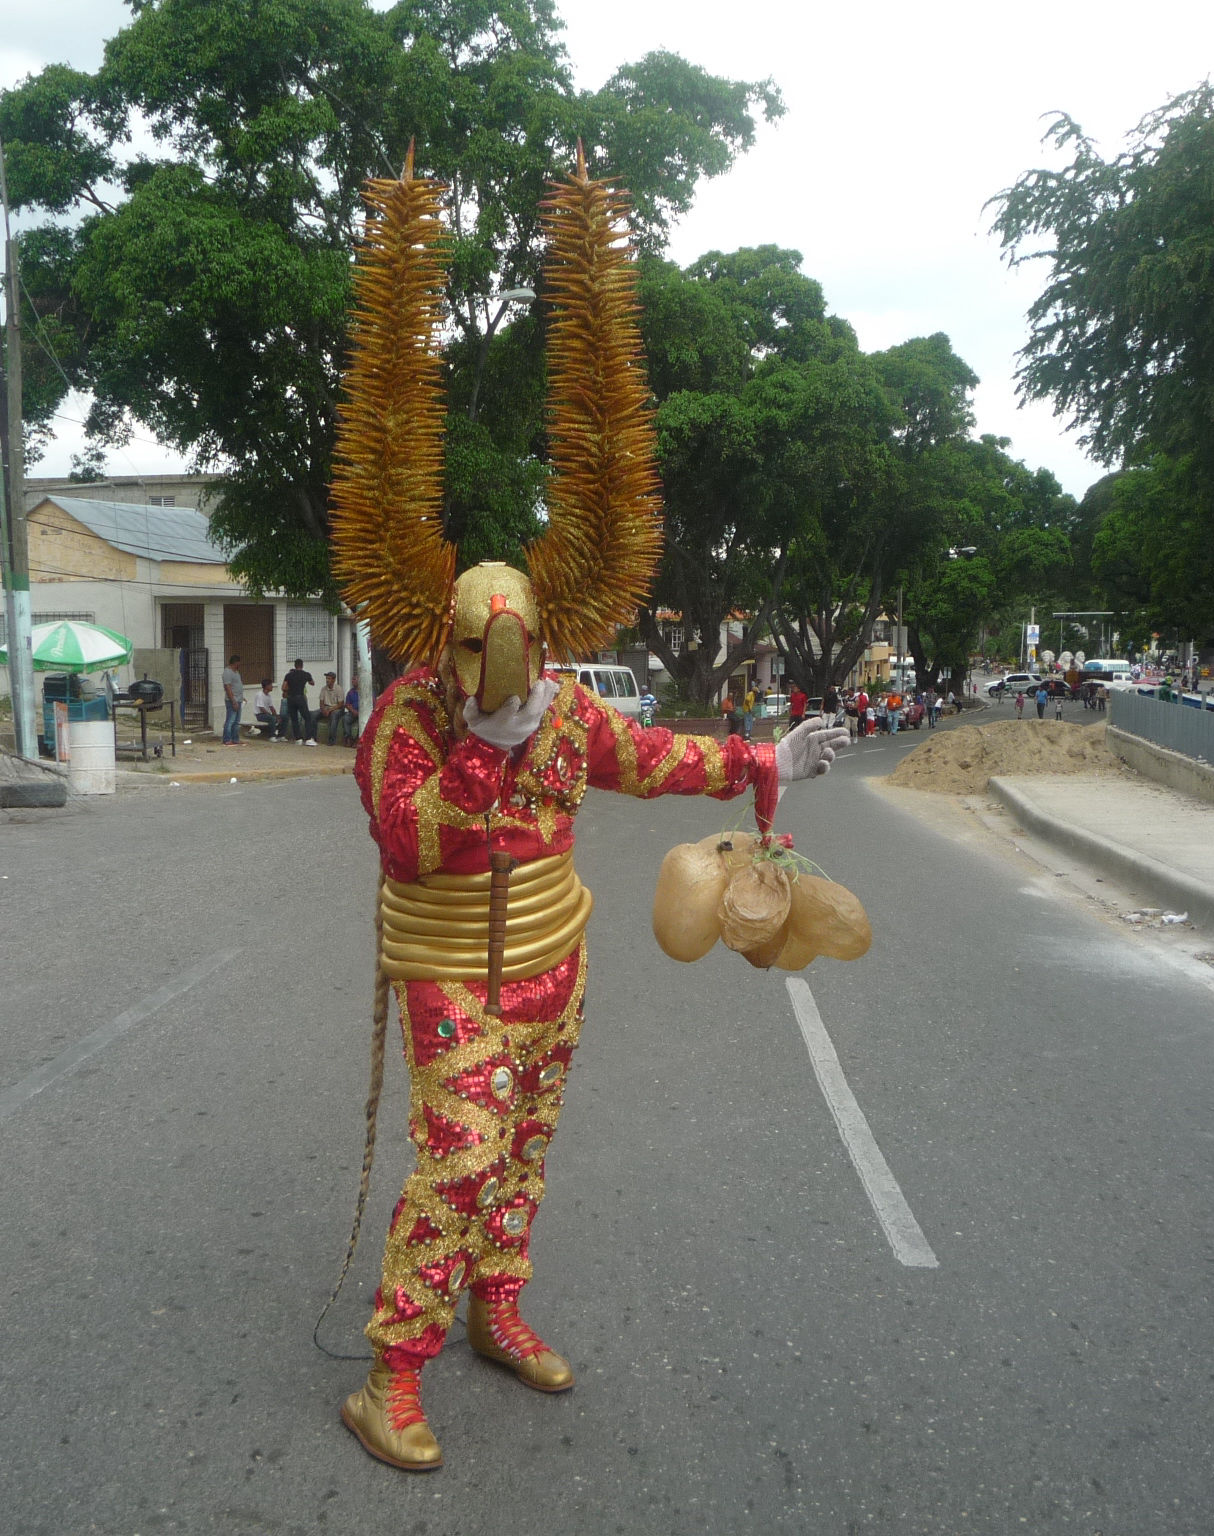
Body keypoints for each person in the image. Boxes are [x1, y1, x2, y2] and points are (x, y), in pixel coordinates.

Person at [324, 164, 851, 1473]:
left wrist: (760, 758)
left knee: (525, 1151)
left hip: (556, 965)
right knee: (460, 1152)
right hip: (452, 971)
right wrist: (479, 756)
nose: (493, 681)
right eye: (471, 659)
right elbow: (407, 841)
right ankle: (392, 1368)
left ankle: (495, 1306)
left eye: (509, 660)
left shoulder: (565, 711)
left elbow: (657, 754)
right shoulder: (405, 719)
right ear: (439, 643)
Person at [282, 657, 316, 744]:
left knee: (294, 719)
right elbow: (312, 683)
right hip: (300, 697)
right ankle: (308, 738)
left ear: (295, 665)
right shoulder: (306, 674)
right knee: (307, 717)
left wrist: (289, 690)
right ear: (302, 665)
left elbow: (283, 687)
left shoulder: (288, 675)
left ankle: (298, 739)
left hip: (291, 698)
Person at [220, 654, 245, 744]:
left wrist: (242, 697)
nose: (240, 665)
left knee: (236, 721)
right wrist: (233, 700)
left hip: (239, 699)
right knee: (230, 720)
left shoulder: (236, 672)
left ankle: (235, 738)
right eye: (239, 663)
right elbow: (228, 687)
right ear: (235, 663)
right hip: (232, 700)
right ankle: (227, 739)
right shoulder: (227, 672)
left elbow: (237, 685)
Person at [319, 671, 345, 743]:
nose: (327, 680)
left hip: (336, 708)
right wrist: (323, 710)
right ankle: (312, 737)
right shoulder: (323, 689)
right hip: (326, 707)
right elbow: (321, 702)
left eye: (329, 678)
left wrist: (330, 710)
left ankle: (331, 739)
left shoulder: (338, 689)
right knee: (313, 715)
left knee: (334, 716)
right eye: (327, 678)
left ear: (333, 680)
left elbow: (340, 704)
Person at [342, 680, 361, 745]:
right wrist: (353, 711)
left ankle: (358, 739)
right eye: (352, 680)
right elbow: (347, 704)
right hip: (353, 712)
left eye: (355, 680)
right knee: (345, 718)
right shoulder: (350, 692)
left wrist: (361, 712)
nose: (353, 682)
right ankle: (349, 737)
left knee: (363, 721)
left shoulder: (366, 691)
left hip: (363, 712)